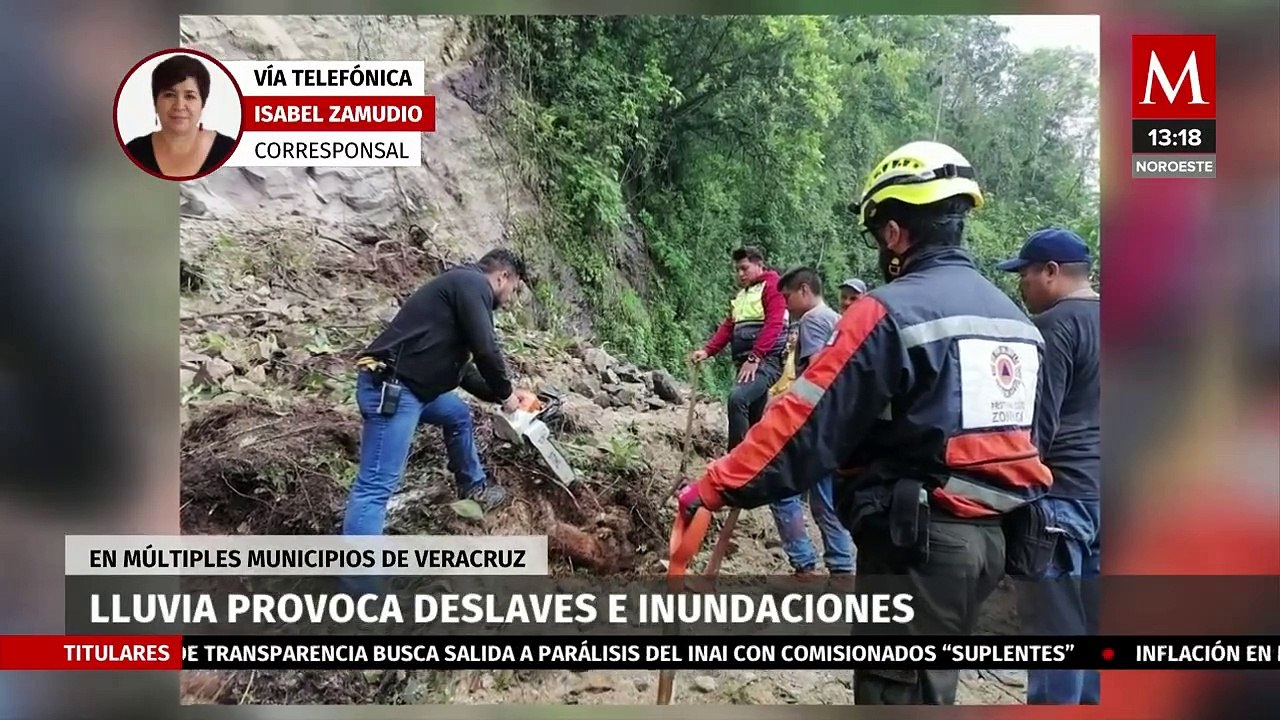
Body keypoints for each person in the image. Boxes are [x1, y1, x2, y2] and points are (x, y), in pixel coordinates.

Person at [678, 141, 1054, 705]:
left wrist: (715, 485)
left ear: (895, 233)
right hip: (990, 548)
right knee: (932, 688)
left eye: (879, 233)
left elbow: (807, 423)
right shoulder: (1017, 323)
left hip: (919, 546)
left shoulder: (887, 311)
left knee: (895, 694)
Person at [342, 248, 528, 537]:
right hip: (392, 388)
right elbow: (486, 350)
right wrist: (506, 395)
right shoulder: (472, 284)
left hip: (414, 390)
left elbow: (463, 372)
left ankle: (474, 486)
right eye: (514, 289)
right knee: (375, 488)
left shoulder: (461, 291)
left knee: (456, 414)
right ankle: (361, 581)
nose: (509, 298)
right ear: (503, 277)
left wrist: (508, 394)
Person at [998, 228, 1101, 705]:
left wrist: (1012, 498)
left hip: (1063, 498)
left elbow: (1041, 421)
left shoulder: (1056, 325)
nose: (1021, 284)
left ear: (1051, 272)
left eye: (1024, 274)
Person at [766, 267, 857, 585]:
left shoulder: (814, 320)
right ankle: (842, 568)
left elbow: (818, 373)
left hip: (815, 424)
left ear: (804, 290)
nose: (786, 304)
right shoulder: (833, 317)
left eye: (788, 296)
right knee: (823, 498)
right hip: (834, 424)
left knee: (782, 490)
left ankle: (805, 565)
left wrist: (782, 406)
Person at [689, 246, 788, 450]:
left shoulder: (772, 286)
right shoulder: (743, 295)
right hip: (747, 362)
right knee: (754, 416)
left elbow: (774, 324)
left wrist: (755, 358)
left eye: (744, 268)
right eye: (737, 270)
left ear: (759, 265)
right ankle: (754, 466)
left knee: (738, 399)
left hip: (766, 360)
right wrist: (707, 351)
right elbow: (728, 327)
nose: (740, 274)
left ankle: (734, 459)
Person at [124, 54, 235, 179]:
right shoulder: (132, 152)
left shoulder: (229, 151)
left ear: (202, 104)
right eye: (169, 95)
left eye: (190, 96)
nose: (179, 106)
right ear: (155, 102)